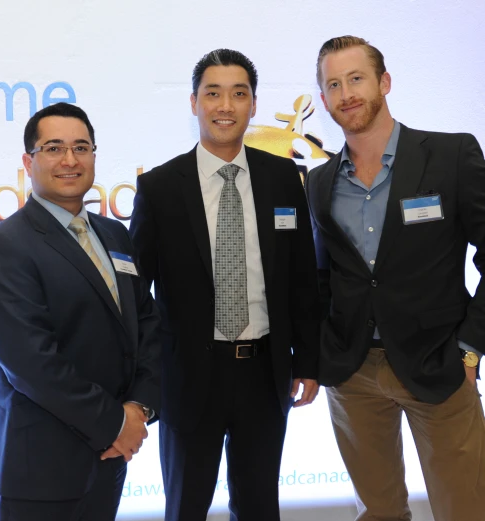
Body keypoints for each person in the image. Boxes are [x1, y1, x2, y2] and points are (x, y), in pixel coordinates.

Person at [129, 48, 320, 521]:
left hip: (264, 372)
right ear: (194, 102)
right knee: (186, 507)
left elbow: (300, 276)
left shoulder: (282, 178)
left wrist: (308, 360)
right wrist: (143, 380)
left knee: (259, 507)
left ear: (253, 105)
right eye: (213, 93)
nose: (225, 106)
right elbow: (137, 295)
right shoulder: (160, 187)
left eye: (239, 94)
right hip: (189, 376)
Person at [306, 35, 485, 521]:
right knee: (379, 512)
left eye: (357, 78)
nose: (347, 94)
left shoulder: (451, 156)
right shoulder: (319, 182)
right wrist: (318, 353)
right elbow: (324, 277)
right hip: (353, 374)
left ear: (384, 82)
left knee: (464, 509)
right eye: (334, 84)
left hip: (439, 366)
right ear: (323, 100)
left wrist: (469, 347)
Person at [0, 102, 161, 521]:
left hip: (111, 458)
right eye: (54, 148)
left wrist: (140, 410)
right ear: (29, 161)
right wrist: (115, 423)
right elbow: (32, 363)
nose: (70, 160)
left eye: (81, 147)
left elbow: (147, 327)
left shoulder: (114, 234)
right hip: (41, 465)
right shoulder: (3, 247)